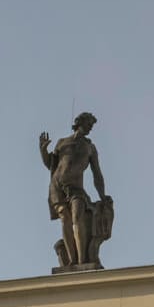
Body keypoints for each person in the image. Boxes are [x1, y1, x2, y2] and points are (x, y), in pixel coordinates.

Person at [39, 112, 111, 270]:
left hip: (76, 188)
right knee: (65, 218)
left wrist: (102, 195)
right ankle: (72, 261)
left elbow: (97, 174)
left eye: (91, 126)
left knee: (77, 217)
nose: (90, 128)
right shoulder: (62, 143)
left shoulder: (90, 148)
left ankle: (82, 259)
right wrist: (43, 150)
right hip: (57, 185)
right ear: (79, 123)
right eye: (88, 124)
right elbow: (51, 164)